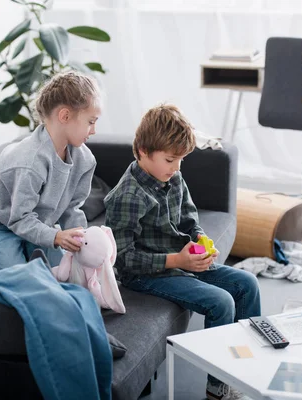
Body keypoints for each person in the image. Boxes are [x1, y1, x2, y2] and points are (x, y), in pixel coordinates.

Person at [104, 104, 261, 400]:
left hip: (179, 260)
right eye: (170, 160)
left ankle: (246, 371)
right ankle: (219, 388)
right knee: (220, 301)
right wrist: (178, 260)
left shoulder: (173, 177)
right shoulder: (127, 195)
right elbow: (124, 259)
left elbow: (189, 218)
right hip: (145, 274)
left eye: (181, 161)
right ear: (141, 151)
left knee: (247, 284)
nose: (176, 168)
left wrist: (201, 241)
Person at [0, 70, 101, 270]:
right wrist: (56, 236)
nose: (94, 130)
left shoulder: (84, 160)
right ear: (65, 115)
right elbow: (19, 218)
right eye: (91, 122)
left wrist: (82, 243)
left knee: (66, 271)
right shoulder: (30, 162)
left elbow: (72, 208)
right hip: (2, 221)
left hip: (38, 222)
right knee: (16, 277)